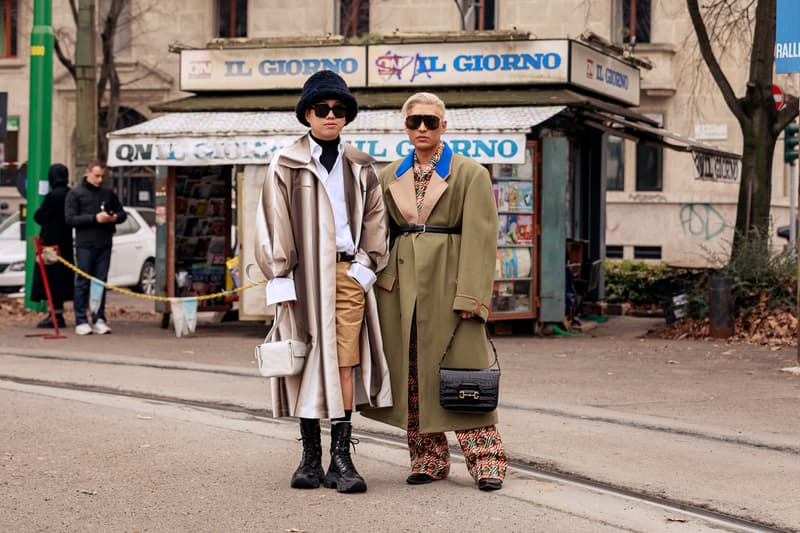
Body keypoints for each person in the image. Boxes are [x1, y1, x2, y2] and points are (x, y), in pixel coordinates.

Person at [254, 70, 392, 494]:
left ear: (347, 115)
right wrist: (280, 277)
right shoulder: (285, 163)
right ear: (307, 114)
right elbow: (273, 223)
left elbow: (376, 220)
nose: (331, 116)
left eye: (339, 109)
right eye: (322, 109)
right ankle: (310, 457)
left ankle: (342, 459)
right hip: (300, 276)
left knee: (346, 361)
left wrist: (364, 269)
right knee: (306, 358)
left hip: (347, 274)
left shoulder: (362, 166)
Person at [362, 92, 508, 491]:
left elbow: (481, 238)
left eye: (429, 121)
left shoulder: (470, 173)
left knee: (466, 373)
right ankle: (427, 458)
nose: (422, 128)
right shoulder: (389, 173)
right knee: (412, 376)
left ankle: (487, 462)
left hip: (450, 284)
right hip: (400, 288)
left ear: (444, 124)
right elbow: (379, 233)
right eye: (414, 122)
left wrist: (472, 297)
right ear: (405, 126)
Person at [65, 159, 127, 336]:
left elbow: (122, 213)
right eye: (96, 176)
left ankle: (99, 317)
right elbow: (70, 219)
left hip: (105, 243)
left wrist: (114, 217)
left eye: (102, 176)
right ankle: (81, 319)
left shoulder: (107, 193)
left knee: (100, 282)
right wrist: (94, 218)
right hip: (85, 244)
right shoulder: (76, 194)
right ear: (88, 172)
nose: (100, 180)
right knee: (83, 282)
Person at [30, 163, 74, 328]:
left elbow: (40, 217)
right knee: (62, 280)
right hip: (66, 243)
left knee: (50, 279)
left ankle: (55, 315)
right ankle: (58, 313)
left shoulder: (52, 196)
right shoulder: (70, 194)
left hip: (51, 245)